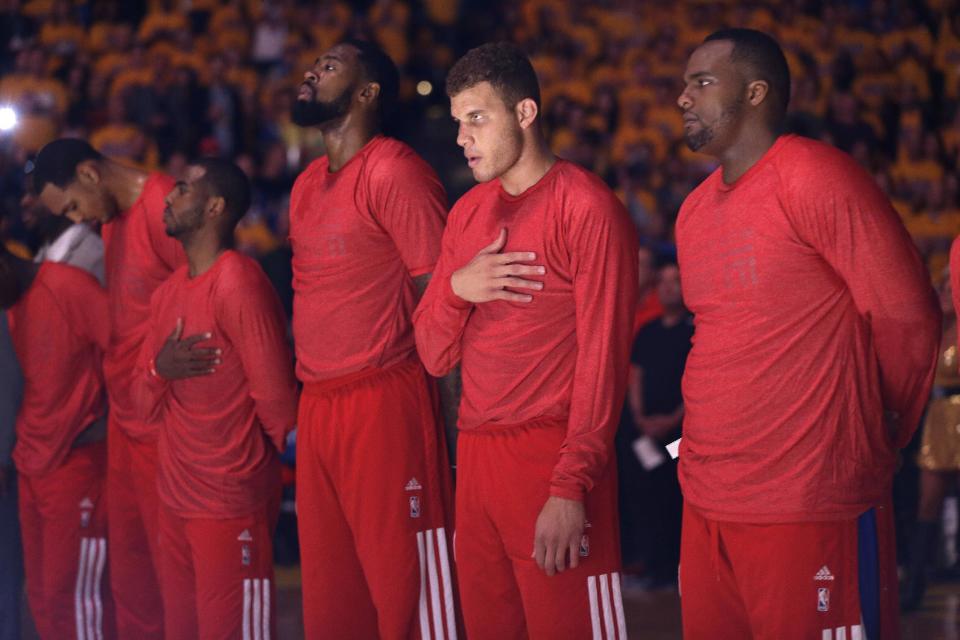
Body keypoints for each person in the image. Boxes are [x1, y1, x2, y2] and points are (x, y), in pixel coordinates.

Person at [675, 28, 940, 639]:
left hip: (809, 496)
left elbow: (907, 317)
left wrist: (884, 421)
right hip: (708, 498)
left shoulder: (816, 177)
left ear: (756, 93)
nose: (683, 98)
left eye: (703, 82)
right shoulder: (692, 211)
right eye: (685, 84)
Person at [414, 42, 638, 639]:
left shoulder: (587, 208)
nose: (463, 137)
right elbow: (434, 354)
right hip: (478, 454)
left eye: (477, 119)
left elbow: (603, 362)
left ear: (525, 113)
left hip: (552, 456)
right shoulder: (466, 213)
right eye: (459, 122)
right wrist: (459, 287)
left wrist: (569, 487)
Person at [289, 39, 457, 639]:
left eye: (329, 66)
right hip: (319, 402)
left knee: (405, 592)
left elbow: (444, 301)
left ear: (366, 94)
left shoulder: (396, 171)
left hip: (385, 397)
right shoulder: (306, 183)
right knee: (335, 601)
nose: (311, 71)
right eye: (315, 64)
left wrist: (453, 426)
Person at [131, 159, 298, 639]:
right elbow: (141, 405)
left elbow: (279, 405)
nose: (167, 196)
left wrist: (245, 471)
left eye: (182, 189)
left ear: (215, 207)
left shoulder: (238, 282)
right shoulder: (167, 294)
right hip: (176, 498)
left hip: (229, 500)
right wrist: (159, 370)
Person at [33, 138, 187, 639]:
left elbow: (206, 294)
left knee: (173, 579)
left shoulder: (163, 203)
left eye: (74, 205)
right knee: (130, 579)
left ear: (90, 174)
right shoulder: (114, 220)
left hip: (164, 427)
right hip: (125, 424)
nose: (77, 219)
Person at [0, 242, 113, 639]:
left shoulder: (66, 285)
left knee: (76, 597)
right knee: (45, 598)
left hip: (77, 460)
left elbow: (120, 350)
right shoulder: (11, 305)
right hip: (31, 463)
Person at [616, 258, 691, 586]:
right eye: (662, 281)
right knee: (643, 488)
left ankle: (675, 568)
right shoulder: (647, 332)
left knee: (673, 491)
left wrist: (673, 419)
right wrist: (642, 419)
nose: (668, 287)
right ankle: (649, 565)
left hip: (682, 436)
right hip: (647, 433)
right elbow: (635, 376)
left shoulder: (695, 332)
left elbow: (699, 380)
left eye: (675, 280)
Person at [903, 257, 960, 610]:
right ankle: (913, 589)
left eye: (950, 289)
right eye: (941, 288)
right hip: (937, 418)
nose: (943, 293)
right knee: (928, 504)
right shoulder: (932, 329)